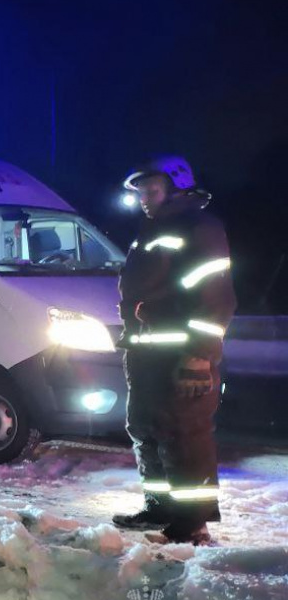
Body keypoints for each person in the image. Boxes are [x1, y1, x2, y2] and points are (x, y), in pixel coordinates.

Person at [112, 156, 236, 546]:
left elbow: (215, 299)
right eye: (139, 193)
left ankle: (191, 524)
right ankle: (160, 506)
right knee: (146, 430)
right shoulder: (152, 230)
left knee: (184, 436)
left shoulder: (200, 228)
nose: (143, 199)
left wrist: (199, 356)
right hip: (147, 356)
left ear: (176, 187)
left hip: (181, 357)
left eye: (151, 190)